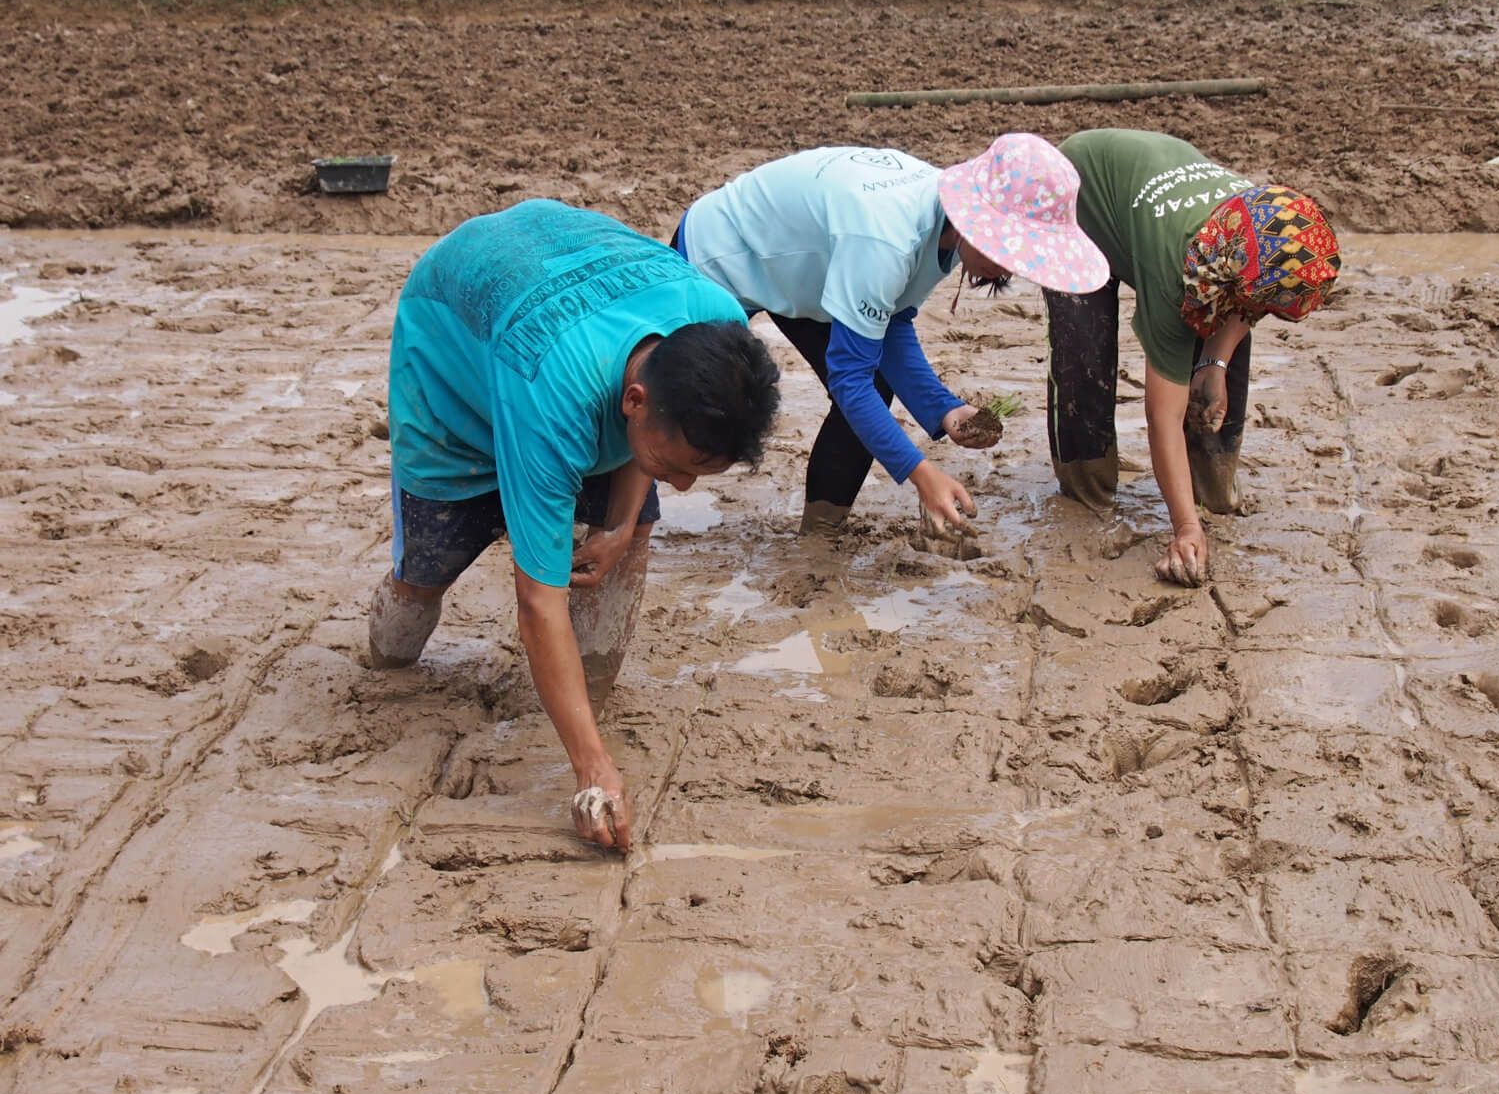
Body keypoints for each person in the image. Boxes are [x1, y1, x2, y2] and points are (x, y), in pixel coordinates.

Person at [367, 199, 781, 854]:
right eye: (678, 467)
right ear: (634, 404)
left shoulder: (719, 332)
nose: (684, 486)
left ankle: (587, 704)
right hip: (455, 335)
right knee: (425, 572)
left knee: (631, 538)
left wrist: (621, 523)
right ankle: (385, 667)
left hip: (567, 289)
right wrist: (592, 772)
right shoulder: (553, 393)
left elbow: (651, 436)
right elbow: (538, 599)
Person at [672, 133, 1108, 536]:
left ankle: (820, 538)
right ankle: (622, 516)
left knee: (875, 383)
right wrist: (922, 475)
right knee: (696, 404)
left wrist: (944, 410)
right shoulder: (888, 238)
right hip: (721, 256)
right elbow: (849, 378)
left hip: (806, 272)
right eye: (1009, 246)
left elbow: (891, 321)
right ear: (978, 220)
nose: (1011, 266)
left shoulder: (948, 227)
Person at [1045, 128, 1341, 587]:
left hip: (1157, 201)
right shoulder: (1176, 272)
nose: (1264, 311)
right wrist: (1184, 528)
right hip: (1078, 200)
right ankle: (1088, 494)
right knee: (1084, 353)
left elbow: (1251, 303)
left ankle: (1212, 489)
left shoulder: (1267, 232)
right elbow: (1162, 416)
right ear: (1224, 269)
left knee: (1222, 368)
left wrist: (1214, 364)